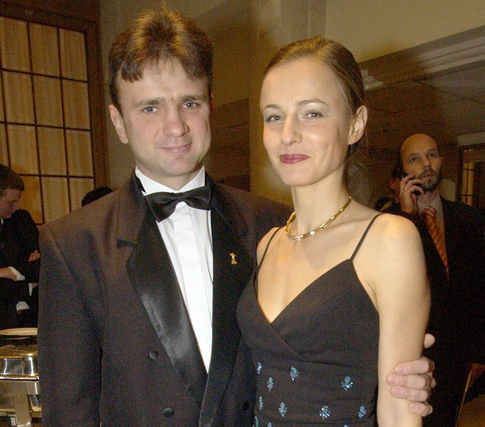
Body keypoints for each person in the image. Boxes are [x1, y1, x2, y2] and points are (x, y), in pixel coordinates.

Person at [38, 7, 435, 427]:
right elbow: (68, 410)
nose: (175, 126)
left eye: (189, 103)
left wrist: (398, 376)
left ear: (210, 107)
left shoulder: (269, 225)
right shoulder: (74, 244)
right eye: (150, 108)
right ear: (118, 122)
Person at [237, 37, 431, 426]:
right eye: (274, 116)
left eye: (312, 113)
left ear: (355, 124)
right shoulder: (267, 244)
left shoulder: (388, 239)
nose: (287, 134)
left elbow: (399, 410)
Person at [384, 133, 485, 426]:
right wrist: (407, 216)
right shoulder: (389, 223)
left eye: (431, 155)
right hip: (411, 354)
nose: (426, 164)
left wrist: (479, 351)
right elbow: (394, 283)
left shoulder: (469, 219)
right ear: (402, 172)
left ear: (441, 160)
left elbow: (479, 289)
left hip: (458, 355)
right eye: (414, 159)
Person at [0, 164, 40, 329]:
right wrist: (27, 283)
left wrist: (8, 272)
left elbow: (40, 267)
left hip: (32, 314)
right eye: (11, 202)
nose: (17, 206)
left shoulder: (21, 220)